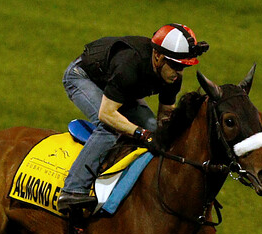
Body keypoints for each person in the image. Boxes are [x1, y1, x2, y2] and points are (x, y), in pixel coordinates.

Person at [57, 24, 209, 213]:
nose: (178, 73)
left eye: (184, 66)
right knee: (109, 129)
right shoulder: (129, 66)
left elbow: (164, 115)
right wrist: (141, 133)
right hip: (83, 78)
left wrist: (167, 134)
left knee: (154, 129)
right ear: (158, 57)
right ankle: (72, 190)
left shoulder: (172, 76)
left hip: (119, 87)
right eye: (176, 65)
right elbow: (106, 114)